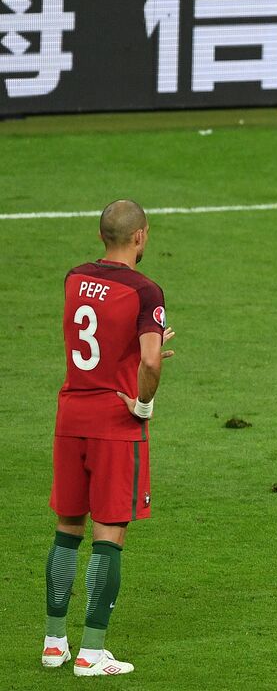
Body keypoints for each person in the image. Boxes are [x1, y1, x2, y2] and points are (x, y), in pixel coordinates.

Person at [45, 200, 175, 676]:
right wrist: (143, 403)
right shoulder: (146, 291)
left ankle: (54, 643)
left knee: (67, 529)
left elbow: (99, 339)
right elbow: (151, 363)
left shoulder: (74, 278)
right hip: (114, 426)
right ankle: (92, 652)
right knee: (109, 534)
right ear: (140, 236)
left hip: (70, 413)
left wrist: (140, 353)